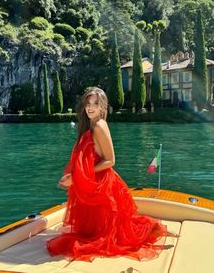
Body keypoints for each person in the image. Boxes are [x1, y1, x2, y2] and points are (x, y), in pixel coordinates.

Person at [46, 87, 176, 262]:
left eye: (95, 104)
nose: (90, 107)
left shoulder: (100, 125)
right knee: (96, 233)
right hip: (92, 185)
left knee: (116, 236)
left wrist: (77, 177)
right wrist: (73, 176)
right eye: (88, 103)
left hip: (103, 186)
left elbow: (110, 160)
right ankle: (155, 229)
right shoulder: (89, 126)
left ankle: (155, 229)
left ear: (102, 107)